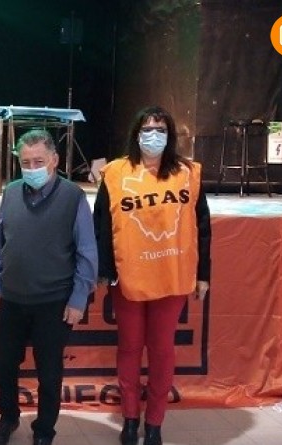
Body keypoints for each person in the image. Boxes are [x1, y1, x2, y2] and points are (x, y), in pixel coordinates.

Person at [93, 106, 211, 445]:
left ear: (170, 136)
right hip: (128, 278)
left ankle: (155, 423)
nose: (153, 136)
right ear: (136, 134)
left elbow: (203, 227)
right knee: (130, 348)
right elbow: (101, 223)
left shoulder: (188, 173)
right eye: (147, 129)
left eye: (160, 129)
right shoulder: (116, 173)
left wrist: (203, 274)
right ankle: (131, 419)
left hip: (172, 277)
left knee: (161, 351)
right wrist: (104, 270)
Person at [0, 129, 98, 445]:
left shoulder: (73, 197)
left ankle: (44, 431)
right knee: (2, 366)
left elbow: (87, 252)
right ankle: (8, 418)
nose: (32, 168)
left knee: (49, 374)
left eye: (39, 161)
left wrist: (78, 299)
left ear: (54, 160)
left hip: (54, 302)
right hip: (11, 299)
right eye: (26, 162)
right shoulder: (10, 193)